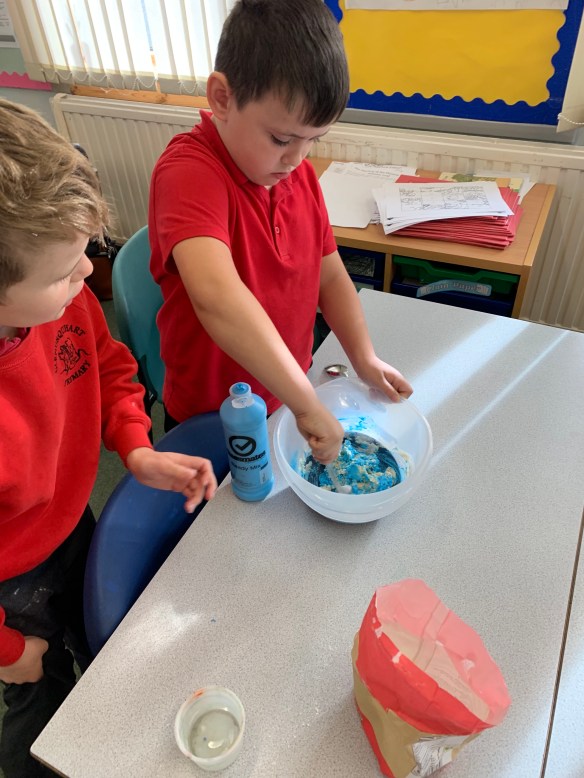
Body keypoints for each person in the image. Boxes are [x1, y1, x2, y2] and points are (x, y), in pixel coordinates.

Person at [0, 99, 218, 778]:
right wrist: (8, 651)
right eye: (65, 272)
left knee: (101, 646)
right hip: (9, 585)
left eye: (85, 257)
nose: (88, 276)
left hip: (68, 525)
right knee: (39, 706)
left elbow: (111, 370)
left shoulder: (66, 307)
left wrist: (136, 446)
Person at [149, 0, 413, 466]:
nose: (297, 158)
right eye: (282, 139)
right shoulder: (189, 172)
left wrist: (364, 358)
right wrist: (307, 404)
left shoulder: (298, 175)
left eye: (314, 139)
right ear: (222, 98)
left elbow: (330, 276)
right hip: (215, 413)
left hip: (288, 393)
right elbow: (217, 299)